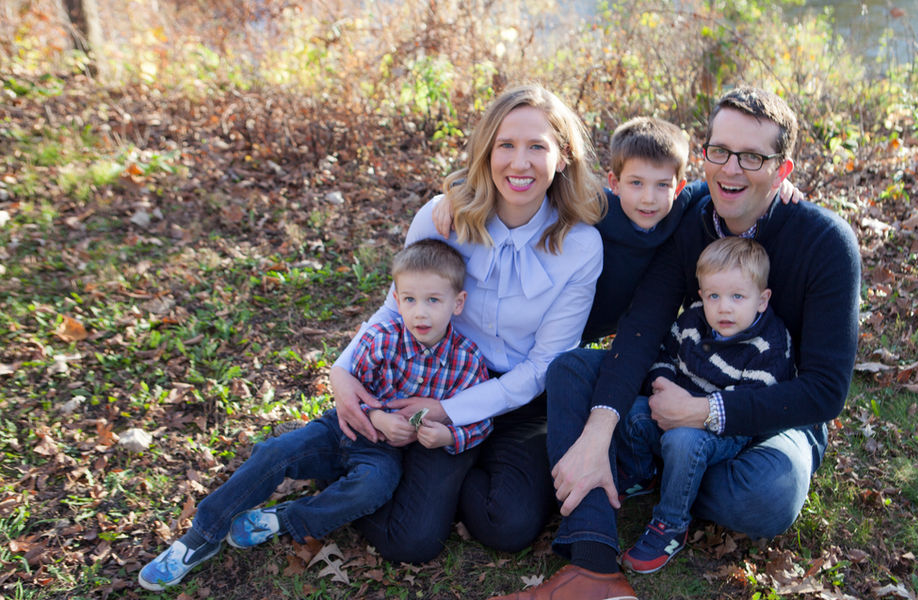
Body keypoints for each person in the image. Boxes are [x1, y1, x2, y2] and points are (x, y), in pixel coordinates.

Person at [494, 86, 861, 599]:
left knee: (769, 494)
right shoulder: (690, 213)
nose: (731, 169)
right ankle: (593, 558)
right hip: (685, 378)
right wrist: (599, 430)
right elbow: (643, 326)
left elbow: (824, 392)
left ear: (782, 170)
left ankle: (652, 470)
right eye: (720, 151)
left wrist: (705, 413)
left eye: (752, 157)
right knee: (571, 370)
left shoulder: (826, 244)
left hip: (768, 413)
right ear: (703, 154)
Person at [330, 84, 605, 564]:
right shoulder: (442, 219)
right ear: (486, 151)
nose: (519, 163)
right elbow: (395, 309)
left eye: (537, 147)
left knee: (509, 525)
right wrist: (341, 369)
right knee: (411, 540)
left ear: (563, 157)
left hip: (522, 399)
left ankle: (451, 469)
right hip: (437, 377)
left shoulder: (581, 246)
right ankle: (366, 473)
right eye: (506, 145)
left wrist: (451, 412)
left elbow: (544, 364)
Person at [138, 239, 491, 591]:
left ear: (458, 303)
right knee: (274, 452)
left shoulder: (467, 360)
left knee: (373, 486)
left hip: (383, 452)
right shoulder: (381, 338)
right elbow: (352, 388)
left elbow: (481, 420)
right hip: (341, 428)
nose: (420, 313)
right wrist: (376, 415)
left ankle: (286, 518)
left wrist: (448, 436)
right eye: (410, 300)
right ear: (396, 300)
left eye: (433, 300)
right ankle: (202, 534)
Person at [617, 236, 794, 574]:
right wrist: (662, 386)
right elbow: (664, 354)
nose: (724, 307)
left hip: (726, 429)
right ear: (701, 295)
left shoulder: (769, 345)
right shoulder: (693, 321)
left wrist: (694, 412)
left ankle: (671, 524)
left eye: (737, 297)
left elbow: (752, 403)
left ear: (762, 300)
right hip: (676, 406)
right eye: (714, 296)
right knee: (633, 411)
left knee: (683, 440)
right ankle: (642, 472)